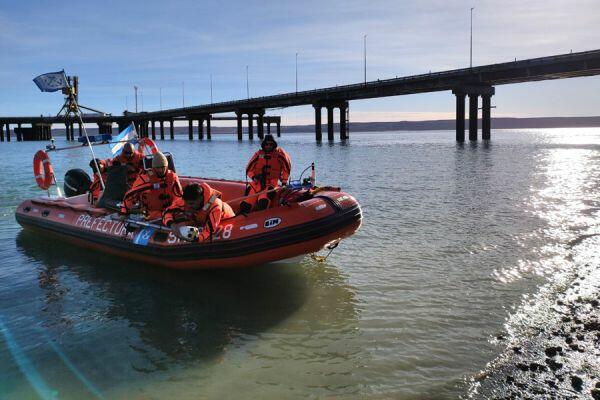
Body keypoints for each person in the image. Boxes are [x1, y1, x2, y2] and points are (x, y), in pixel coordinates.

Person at [163, 183, 235, 242]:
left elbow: (209, 230)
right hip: (199, 220)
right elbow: (167, 212)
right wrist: (172, 225)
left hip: (223, 221)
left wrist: (196, 239)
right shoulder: (185, 200)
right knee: (179, 218)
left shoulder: (214, 205)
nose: (188, 206)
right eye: (186, 203)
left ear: (200, 198)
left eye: (191, 203)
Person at [122, 152, 182, 220]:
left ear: (167, 166)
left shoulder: (172, 177)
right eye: (158, 168)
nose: (160, 170)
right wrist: (124, 212)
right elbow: (131, 195)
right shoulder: (145, 178)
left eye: (163, 167)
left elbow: (178, 196)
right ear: (153, 167)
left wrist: (175, 209)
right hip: (151, 214)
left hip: (170, 212)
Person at [240, 134, 291, 213]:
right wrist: (254, 177)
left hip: (271, 185)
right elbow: (249, 169)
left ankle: (260, 220)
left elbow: (286, 169)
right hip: (256, 184)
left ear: (274, 145)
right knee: (245, 205)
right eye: (266, 144)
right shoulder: (258, 154)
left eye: (271, 144)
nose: (268, 146)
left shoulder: (280, 155)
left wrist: (284, 182)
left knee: (263, 202)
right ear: (264, 144)